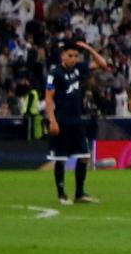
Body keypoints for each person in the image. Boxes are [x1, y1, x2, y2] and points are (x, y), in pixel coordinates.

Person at [46, 39, 109, 205]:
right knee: (60, 158)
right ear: (62, 56)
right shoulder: (55, 74)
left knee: (84, 156)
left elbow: (103, 65)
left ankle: (80, 193)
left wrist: (89, 49)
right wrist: (52, 121)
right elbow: (48, 98)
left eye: (75, 56)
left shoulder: (78, 69)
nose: (73, 59)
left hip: (77, 120)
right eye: (70, 55)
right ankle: (61, 195)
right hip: (61, 121)